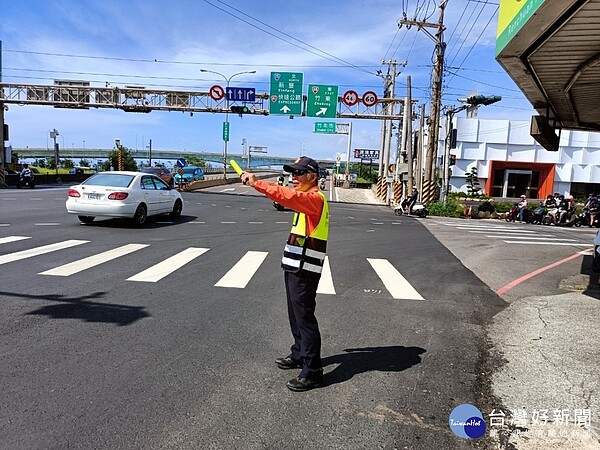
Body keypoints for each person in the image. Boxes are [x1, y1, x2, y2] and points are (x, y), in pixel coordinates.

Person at [241, 156, 329, 392]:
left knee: (305, 318)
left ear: (312, 176)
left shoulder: (314, 199)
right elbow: (284, 199)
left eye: (298, 173)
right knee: (295, 315)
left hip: (305, 268)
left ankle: (313, 372)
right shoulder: (305, 199)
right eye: (292, 173)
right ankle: (299, 353)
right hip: (294, 265)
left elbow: (287, 196)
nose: (293, 178)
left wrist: (256, 183)